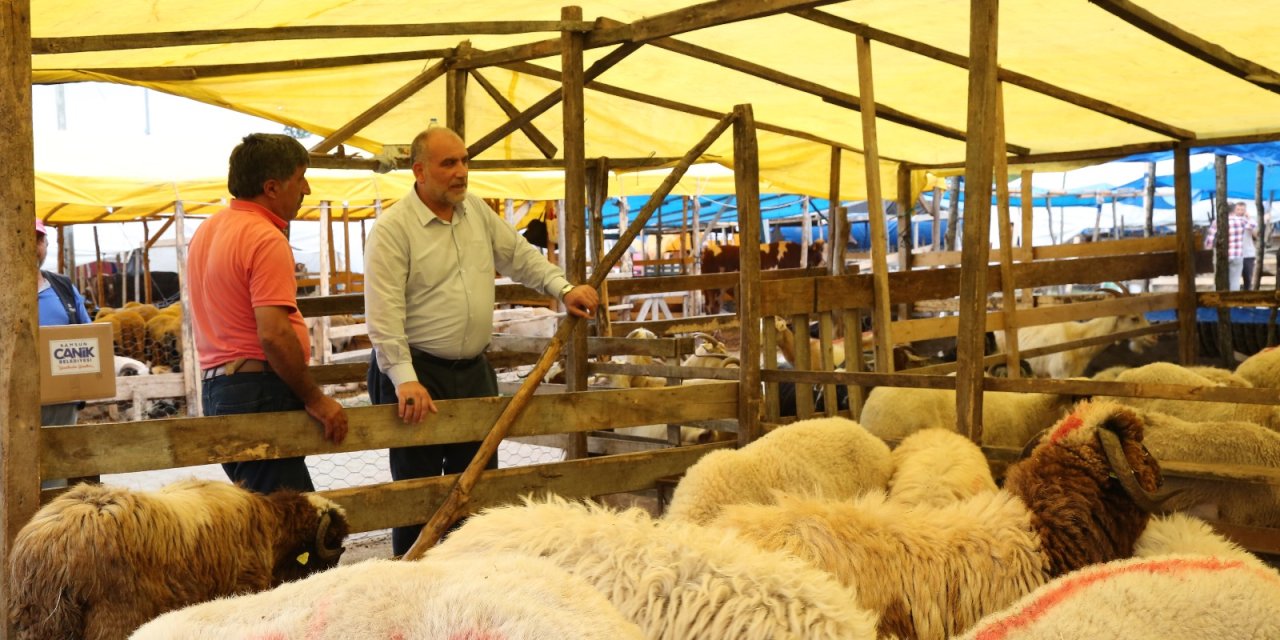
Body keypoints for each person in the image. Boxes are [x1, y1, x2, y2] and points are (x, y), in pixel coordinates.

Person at [364, 126, 598, 556]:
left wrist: (563, 289)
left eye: (464, 161)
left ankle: (472, 580)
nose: (461, 172)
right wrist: (403, 378)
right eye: (448, 163)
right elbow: (383, 313)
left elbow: (520, 256)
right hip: (418, 374)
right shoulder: (393, 230)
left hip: (472, 371)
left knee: (477, 484)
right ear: (419, 170)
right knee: (417, 493)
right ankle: (411, 582)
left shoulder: (476, 213)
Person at [187, 133, 348, 495]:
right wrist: (315, 398)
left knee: (266, 516)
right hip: (258, 390)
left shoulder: (208, 229)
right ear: (272, 187)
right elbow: (273, 334)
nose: (306, 189)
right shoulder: (264, 237)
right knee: (298, 526)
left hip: (220, 389)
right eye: (300, 178)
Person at [36, 219, 92, 488]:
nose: (31, 245)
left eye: (38, 239)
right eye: (22, 236)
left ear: (46, 245)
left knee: (55, 476)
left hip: (61, 401)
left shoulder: (62, 287)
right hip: (10, 400)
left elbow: (88, 336)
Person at [1204, 201, 1257, 292]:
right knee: (1234, 281)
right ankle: (1232, 302)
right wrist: (1249, 217)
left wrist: (1208, 249)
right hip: (1237, 256)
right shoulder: (1241, 221)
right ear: (1234, 210)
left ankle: (1219, 300)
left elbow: (1209, 241)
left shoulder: (1217, 222)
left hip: (1221, 256)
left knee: (1219, 279)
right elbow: (1253, 225)